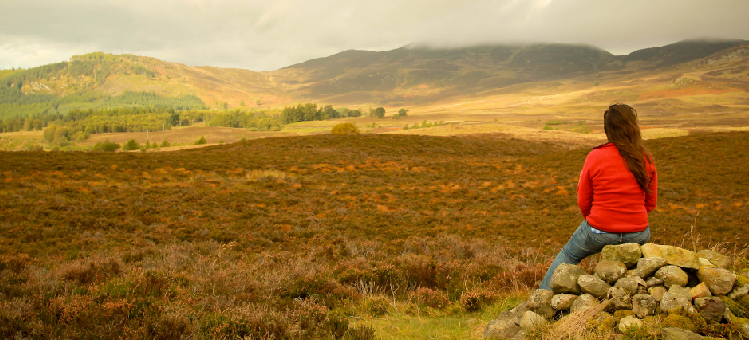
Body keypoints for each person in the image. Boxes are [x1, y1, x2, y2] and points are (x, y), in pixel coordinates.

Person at [539, 103, 657, 291]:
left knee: (568, 255)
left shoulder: (596, 156)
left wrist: (596, 220)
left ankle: (541, 299)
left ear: (608, 129)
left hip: (599, 231)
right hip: (638, 233)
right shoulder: (645, 158)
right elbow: (650, 204)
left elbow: (583, 201)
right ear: (633, 126)